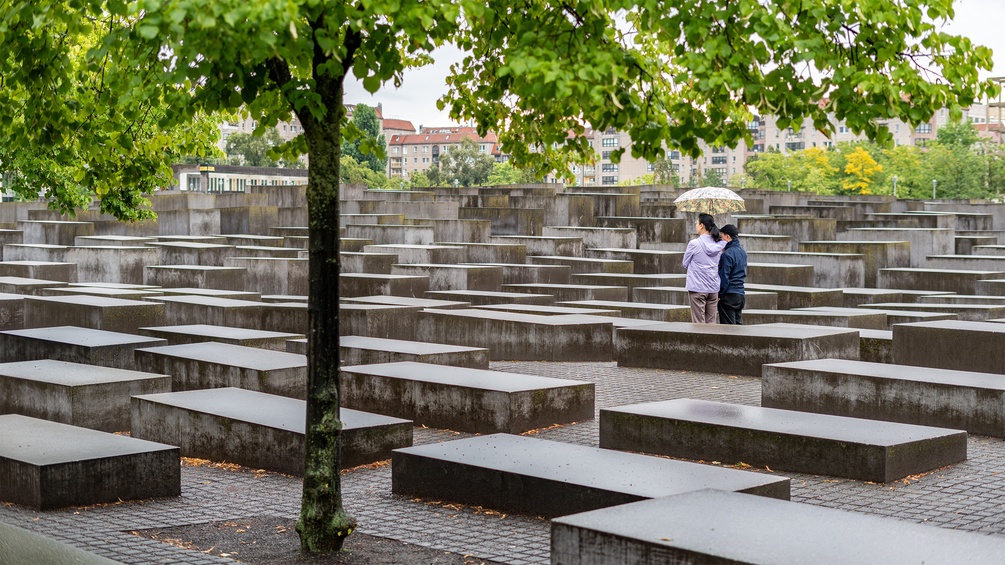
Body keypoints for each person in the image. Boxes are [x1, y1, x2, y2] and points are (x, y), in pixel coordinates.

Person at [682, 213, 726, 323]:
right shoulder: (719, 244)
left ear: (701, 225)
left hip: (697, 287)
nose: (696, 225)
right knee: (711, 323)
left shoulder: (694, 243)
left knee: (698, 323)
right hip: (713, 287)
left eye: (696, 223)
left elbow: (685, 263)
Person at [717, 224, 747, 324]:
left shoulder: (727, 255)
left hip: (728, 295)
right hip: (740, 294)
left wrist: (719, 294)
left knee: (728, 330)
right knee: (738, 328)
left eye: (721, 237)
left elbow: (724, 276)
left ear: (728, 237)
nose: (720, 240)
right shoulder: (742, 252)